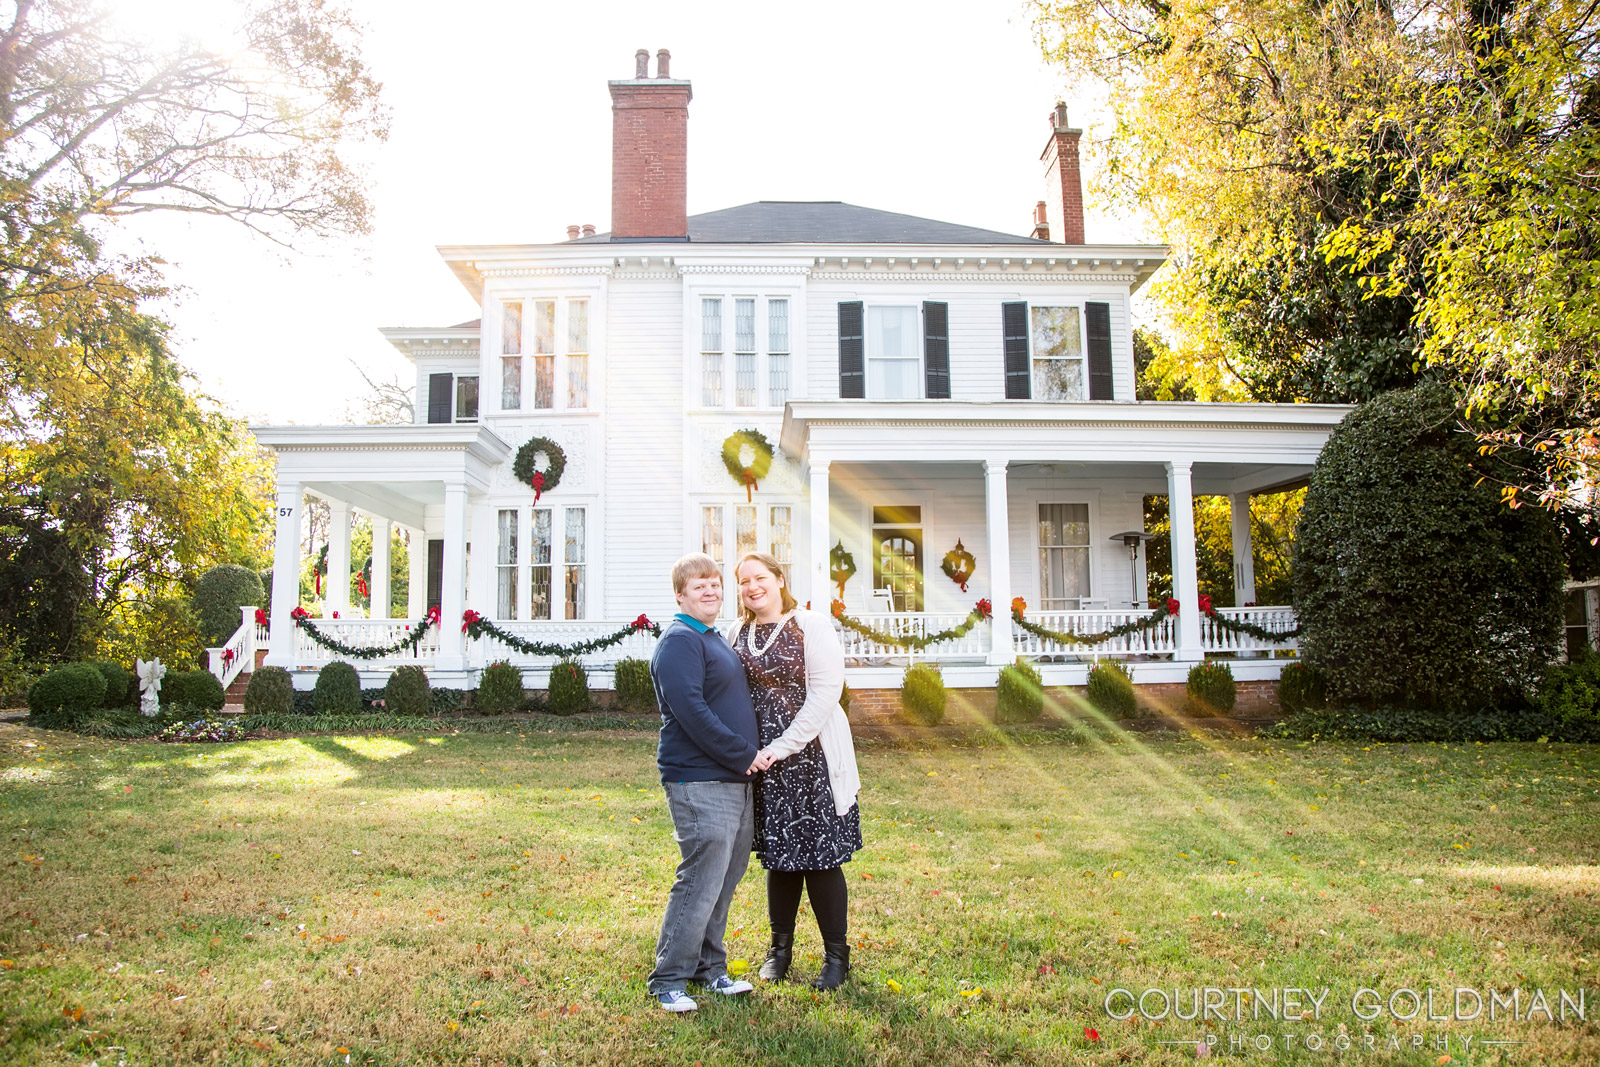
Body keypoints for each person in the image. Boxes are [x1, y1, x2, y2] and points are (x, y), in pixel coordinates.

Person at [734, 551, 862, 991]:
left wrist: (780, 747)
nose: (752, 587)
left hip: (811, 760)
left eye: (760, 577)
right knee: (780, 859)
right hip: (763, 765)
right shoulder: (737, 632)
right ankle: (779, 951)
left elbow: (826, 694)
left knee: (821, 859)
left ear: (778, 578)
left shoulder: (811, 624)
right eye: (744, 581)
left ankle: (836, 957)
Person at [646, 553, 763, 1013]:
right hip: (700, 779)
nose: (711, 590)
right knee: (699, 879)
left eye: (716, 584)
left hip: (734, 779)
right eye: (700, 586)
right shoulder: (678, 641)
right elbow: (691, 713)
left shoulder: (712, 638)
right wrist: (744, 755)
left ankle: (710, 970)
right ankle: (668, 979)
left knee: (723, 880)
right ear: (680, 595)